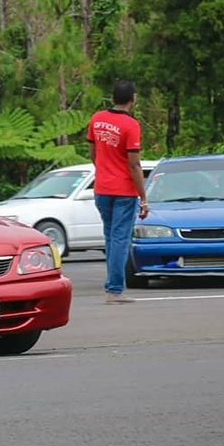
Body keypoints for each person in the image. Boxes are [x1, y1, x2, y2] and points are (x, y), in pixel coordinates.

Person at [87, 81, 149, 304]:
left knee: (111, 237)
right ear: (132, 98)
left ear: (112, 98)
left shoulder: (97, 119)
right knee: (120, 239)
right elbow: (134, 164)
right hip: (124, 191)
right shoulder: (130, 125)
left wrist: (104, 171)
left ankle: (112, 286)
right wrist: (143, 197)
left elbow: (93, 152)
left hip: (102, 189)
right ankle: (114, 290)